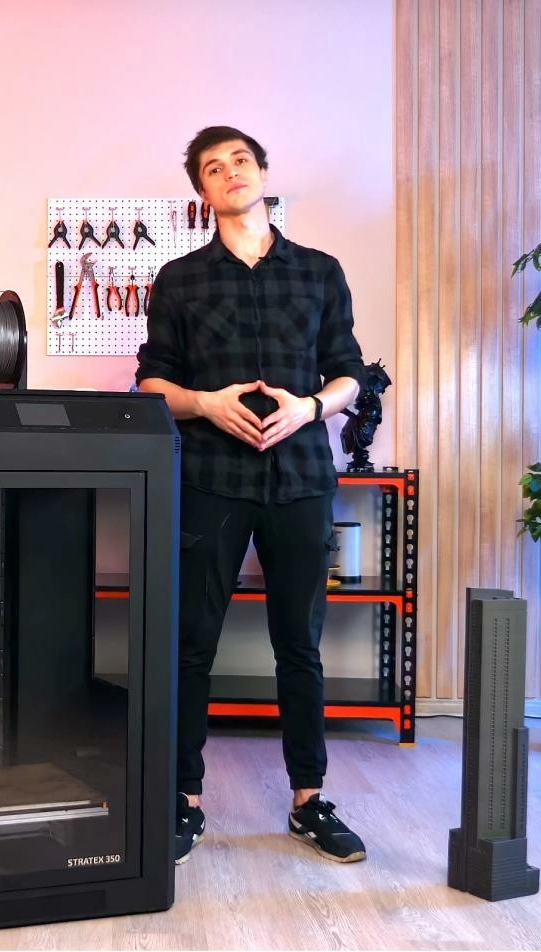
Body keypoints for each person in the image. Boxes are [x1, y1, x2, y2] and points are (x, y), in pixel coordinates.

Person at [135, 126, 368, 866]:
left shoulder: (321, 272)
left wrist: (311, 407)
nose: (230, 172)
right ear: (202, 192)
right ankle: (184, 799)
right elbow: (151, 382)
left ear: (263, 172)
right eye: (213, 167)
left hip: (301, 479)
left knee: (300, 645)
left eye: (240, 159)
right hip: (210, 480)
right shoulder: (179, 279)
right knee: (191, 645)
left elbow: (350, 372)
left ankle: (308, 801)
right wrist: (204, 403)